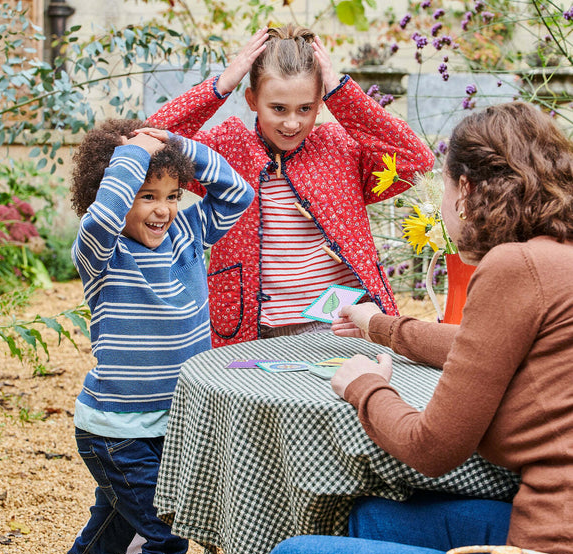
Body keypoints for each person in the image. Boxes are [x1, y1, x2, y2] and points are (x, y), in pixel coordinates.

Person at [259, 101, 573, 554]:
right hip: (553, 527)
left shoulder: (515, 266)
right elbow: (473, 345)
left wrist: (364, 386)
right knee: (373, 517)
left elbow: (431, 448)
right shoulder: (556, 260)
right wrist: (376, 324)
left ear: (466, 189)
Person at [45, 119, 253, 554]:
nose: (163, 210)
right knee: (166, 536)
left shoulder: (189, 235)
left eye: (173, 195)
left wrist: (174, 145)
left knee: (110, 533)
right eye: (146, 196)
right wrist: (133, 152)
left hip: (169, 426)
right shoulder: (102, 253)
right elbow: (102, 216)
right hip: (113, 430)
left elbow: (238, 192)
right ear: (116, 191)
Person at [147, 23, 434, 347]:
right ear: (252, 100)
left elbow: (416, 160)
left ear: (321, 102)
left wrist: (342, 91)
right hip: (251, 329)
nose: (292, 122)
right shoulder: (226, 149)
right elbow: (150, 143)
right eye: (278, 108)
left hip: (344, 326)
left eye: (305, 108)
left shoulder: (340, 148)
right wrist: (222, 84)